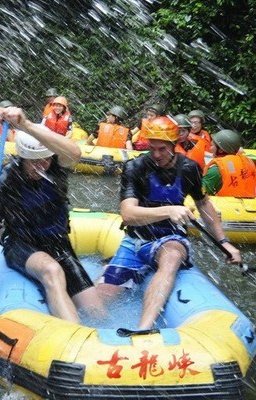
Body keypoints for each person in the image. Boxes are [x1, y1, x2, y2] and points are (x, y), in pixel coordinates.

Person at [93, 116, 241, 333]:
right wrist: (170, 210)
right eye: (152, 148)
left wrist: (224, 242)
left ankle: (143, 328)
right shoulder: (135, 167)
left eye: (162, 149)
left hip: (170, 238)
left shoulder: (189, 168)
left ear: (174, 145)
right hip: (136, 240)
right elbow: (128, 214)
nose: (156, 154)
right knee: (96, 303)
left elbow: (203, 204)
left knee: (172, 255)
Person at [0, 107, 104, 323]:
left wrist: (25, 124)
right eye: (34, 162)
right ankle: (75, 336)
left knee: (97, 313)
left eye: (45, 160)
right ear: (23, 158)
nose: (41, 167)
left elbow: (75, 153)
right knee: (52, 270)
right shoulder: (5, 180)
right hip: (21, 244)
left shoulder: (56, 166)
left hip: (58, 243)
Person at [203, 129, 256, 196]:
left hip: (225, 202)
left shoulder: (216, 170)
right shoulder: (247, 163)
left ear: (220, 150)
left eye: (212, 146)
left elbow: (201, 193)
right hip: (248, 200)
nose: (210, 149)